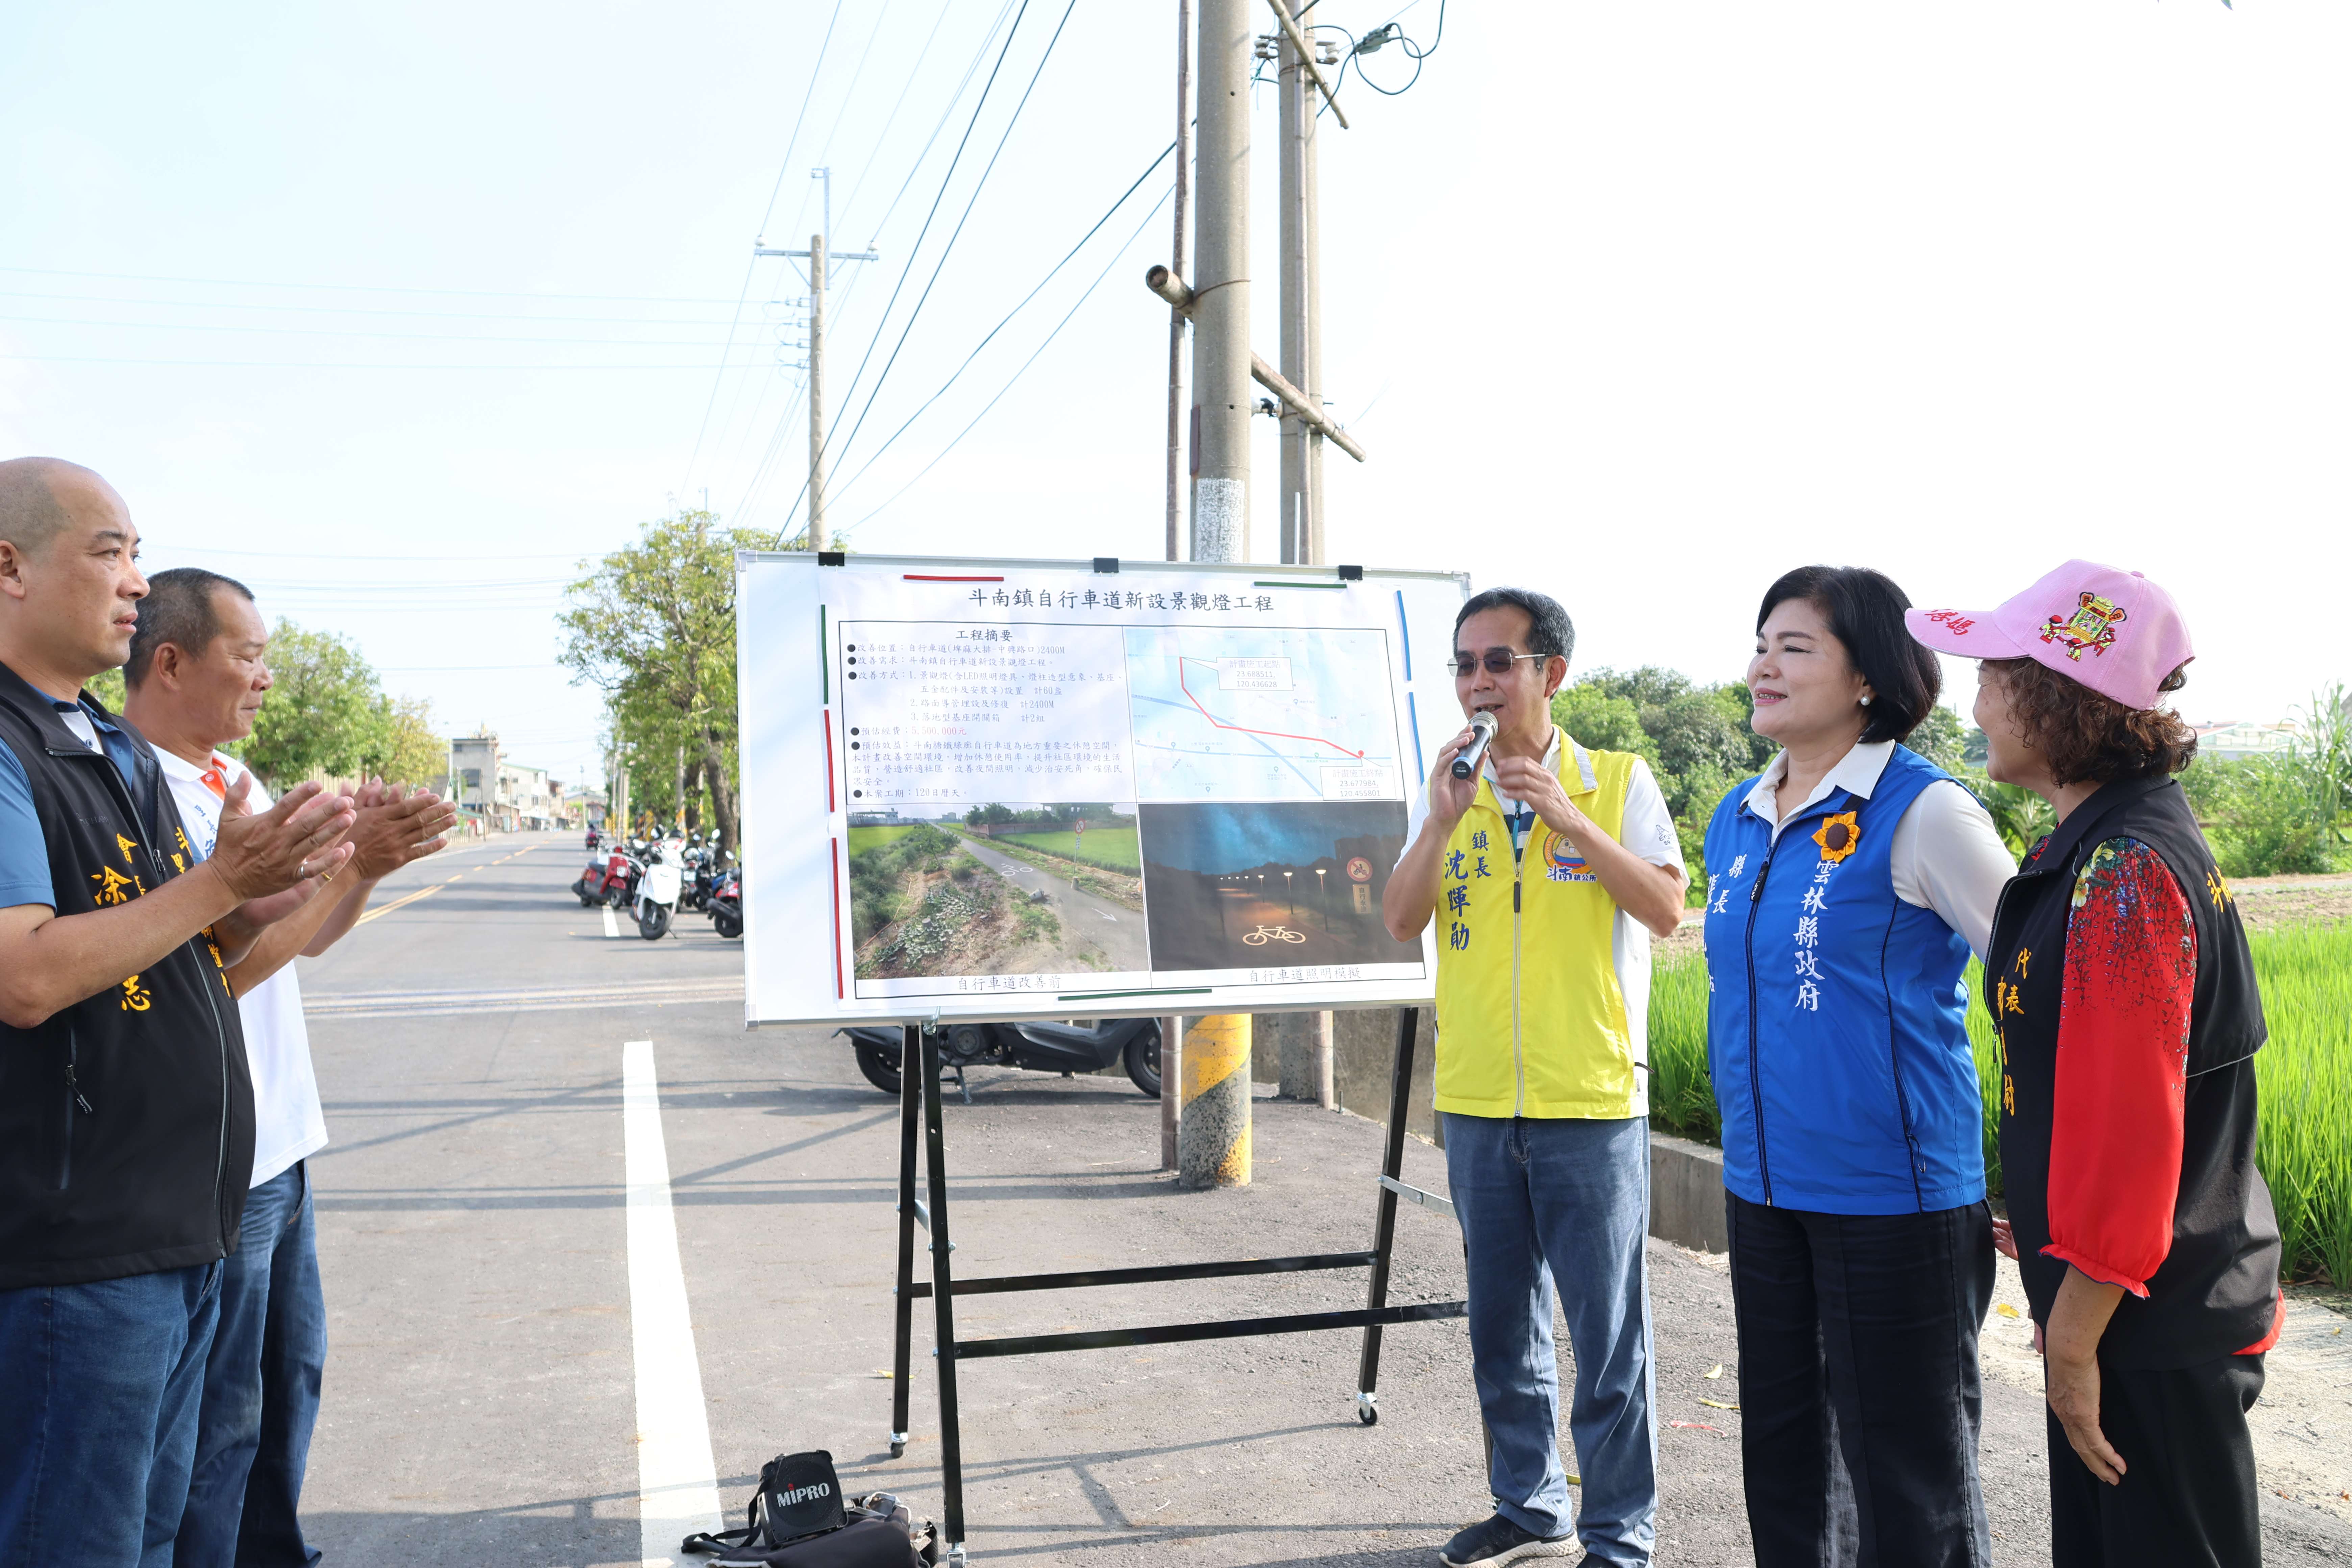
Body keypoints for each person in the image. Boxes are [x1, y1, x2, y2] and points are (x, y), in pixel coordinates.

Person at [0, 457, 356, 1566]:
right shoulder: (9, 749)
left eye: (138, 554)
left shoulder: (107, 749)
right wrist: (222, 882)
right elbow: (26, 977)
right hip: (80, 1254)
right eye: (109, 552)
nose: (132, 581)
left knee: (153, 1536)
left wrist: (311, 879)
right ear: (9, 567)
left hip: (183, 1228)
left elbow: (204, 957)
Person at [1907, 561, 2280, 1567]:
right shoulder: (2103, 844)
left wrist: (2071, 1344)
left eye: (1994, 671)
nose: (1975, 696)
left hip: (2151, 1326)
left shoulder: (2125, 871)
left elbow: (2128, 1135)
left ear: (2058, 696)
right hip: (2133, 1302)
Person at [122, 566, 456, 1567]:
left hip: (285, 1145)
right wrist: (348, 870)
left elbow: (303, 944)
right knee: (218, 1421)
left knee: (286, 1386)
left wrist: (367, 870)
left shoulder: (236, 783)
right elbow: (214, 976)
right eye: (250, 656)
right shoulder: (135, 790)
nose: (265, 678)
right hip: (217, 1160)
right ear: (172, 661)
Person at [1699, 565, 2017, 1566]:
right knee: (1786, 1455)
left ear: (1871, 679)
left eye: (1795, 648)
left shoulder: (1928, 813)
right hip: (1765, 1184)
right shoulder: (1740, 816)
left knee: (1907, 1477)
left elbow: (2038, 988)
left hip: (1897, 1198)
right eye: (1761, 643)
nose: (1764, 664)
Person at [1385, 587, 1687, 1568]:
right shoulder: (1449, 788)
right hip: (1475, 1100)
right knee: (1501, 1329)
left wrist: (1568, 822)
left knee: (1608, 1342)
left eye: (1497, 662)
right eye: (1464, 664)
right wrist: (1439, 824)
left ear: (1550, 673)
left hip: (1589, 1102)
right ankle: (1529, 1506)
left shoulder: (1619, 780)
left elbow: (1665, 911)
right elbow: (1399, 919)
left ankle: (1619, 1536)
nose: (1478, 682)